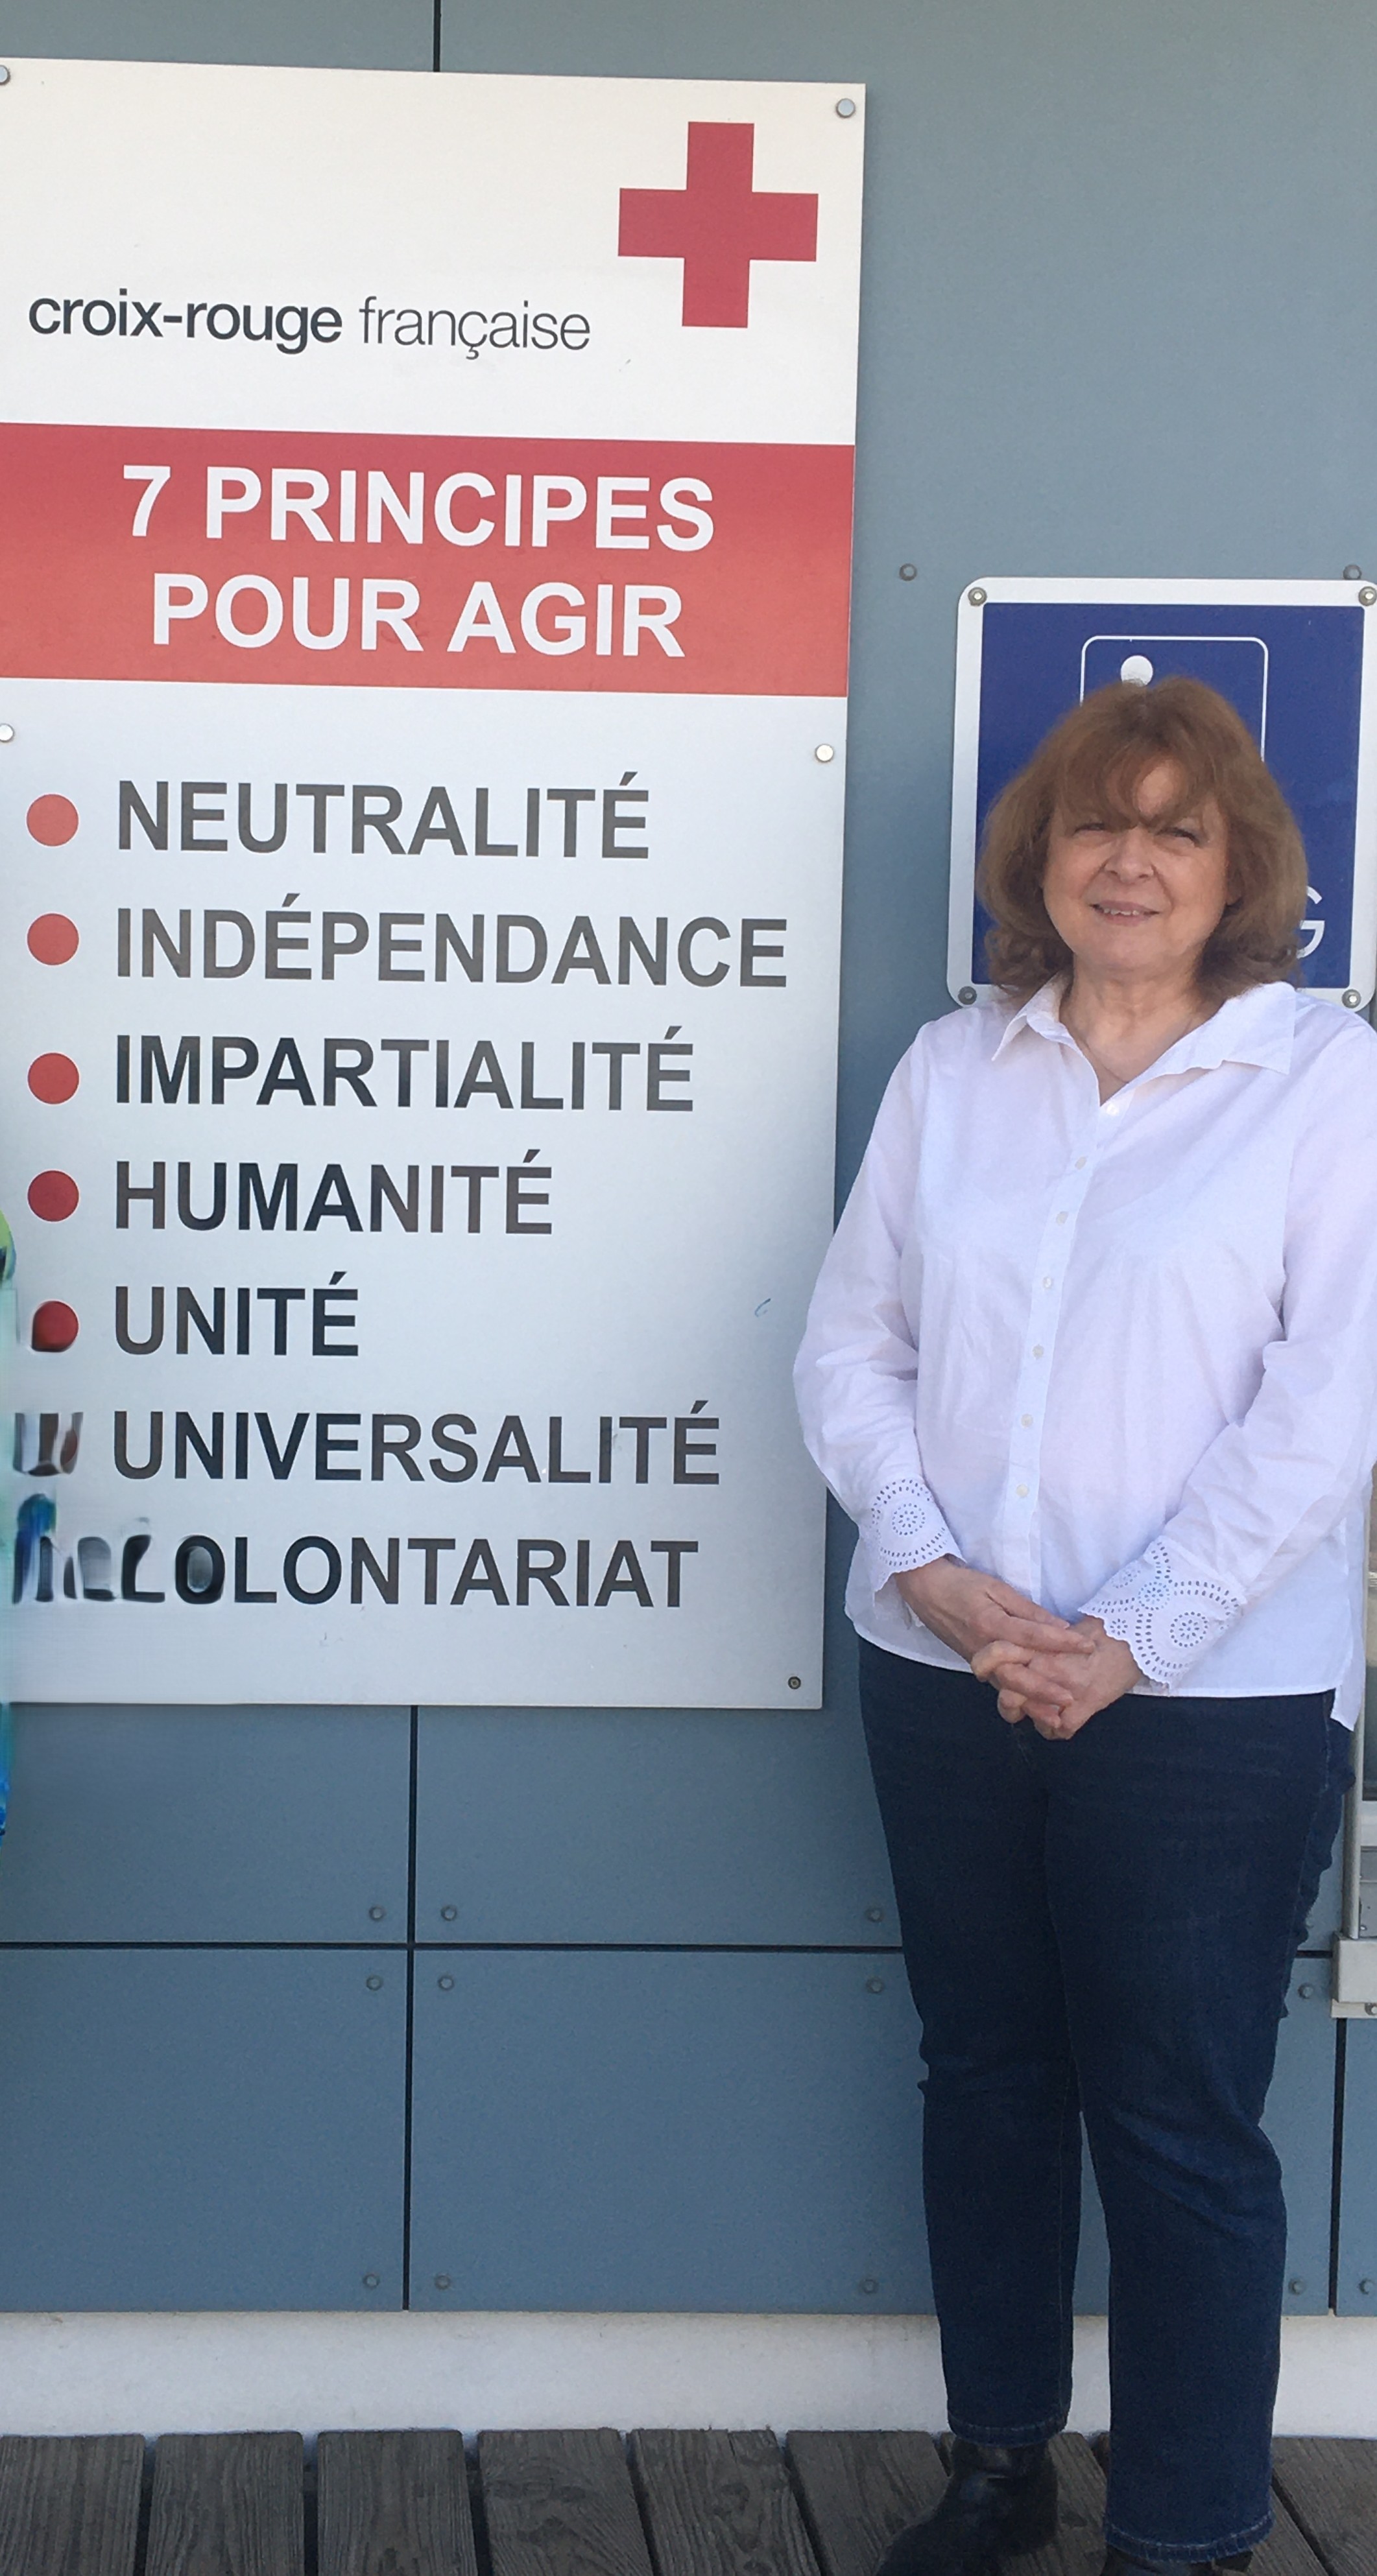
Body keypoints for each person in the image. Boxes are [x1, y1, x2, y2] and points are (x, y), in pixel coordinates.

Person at [795, 676, 1377, 2576]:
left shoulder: (1323, 1081)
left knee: (1178, 2113)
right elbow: (850, 1343)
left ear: (1239, 870)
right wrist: (926, 1564)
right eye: (1094, 824)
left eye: (1174, 829)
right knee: (986, 2073)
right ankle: (997, 2464)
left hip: (1210, 1705)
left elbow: (1328, 1408)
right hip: (945, 1665)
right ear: (1038, 859)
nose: (1129, 860)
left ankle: (1186, 2528)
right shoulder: (956, 1071)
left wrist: (1128, 1634)